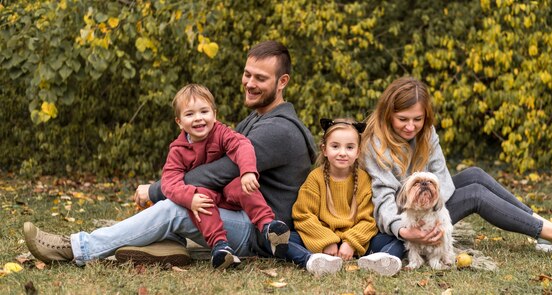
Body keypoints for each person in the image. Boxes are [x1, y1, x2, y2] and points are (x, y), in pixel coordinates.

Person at [22, 40, 317, 267]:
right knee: (180, 204)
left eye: (260, 78)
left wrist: (156, 189)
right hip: (236, 213)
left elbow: (215, 173)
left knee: (173, 208)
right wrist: (170, 187)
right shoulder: (256, 119)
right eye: (247, 74)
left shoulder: (278, 130)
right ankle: (166, 244)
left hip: (259, 232)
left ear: (282, 82)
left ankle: (76, 248)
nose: (250, 84)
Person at [361, 76, 552, 260]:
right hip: (400, 217)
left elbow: (443, 179)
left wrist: (431, 206)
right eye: (403, 119)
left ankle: (549, 232)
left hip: (426, 206)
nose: (411, 126)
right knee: (475, 194)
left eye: (418, 119)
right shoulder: (375, 143)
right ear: (387, 113)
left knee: (474, 174)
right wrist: (405, 230)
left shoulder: (426, 133)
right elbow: (382, 199)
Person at [158, 83, 290, 269]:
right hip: (207, 196)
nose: (198, 119)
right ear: (179, 121)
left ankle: (269, 226)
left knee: (242, 186)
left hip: (230, 191)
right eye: (190, 114)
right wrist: (189, 198)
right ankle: (221, 246)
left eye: (204, 111)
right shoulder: (178, 150)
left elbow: (241, 145)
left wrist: (247, 171)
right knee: (202, 200)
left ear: (214, 114)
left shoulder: (221, 132)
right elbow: (169, 182)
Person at [287, 118, 404, 276]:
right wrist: (327, 241)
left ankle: (382, 259)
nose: (342, 153)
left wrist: (350, 243)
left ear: (357, 151)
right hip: (322, 243)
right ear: (324, 149)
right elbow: (303, 215)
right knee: (282, 239)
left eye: (349, 147)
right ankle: (313, 260)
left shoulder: (364, 179)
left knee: (399, 237)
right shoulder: (315, 178)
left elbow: (368, 219)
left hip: (357, 242)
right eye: (335, 146)